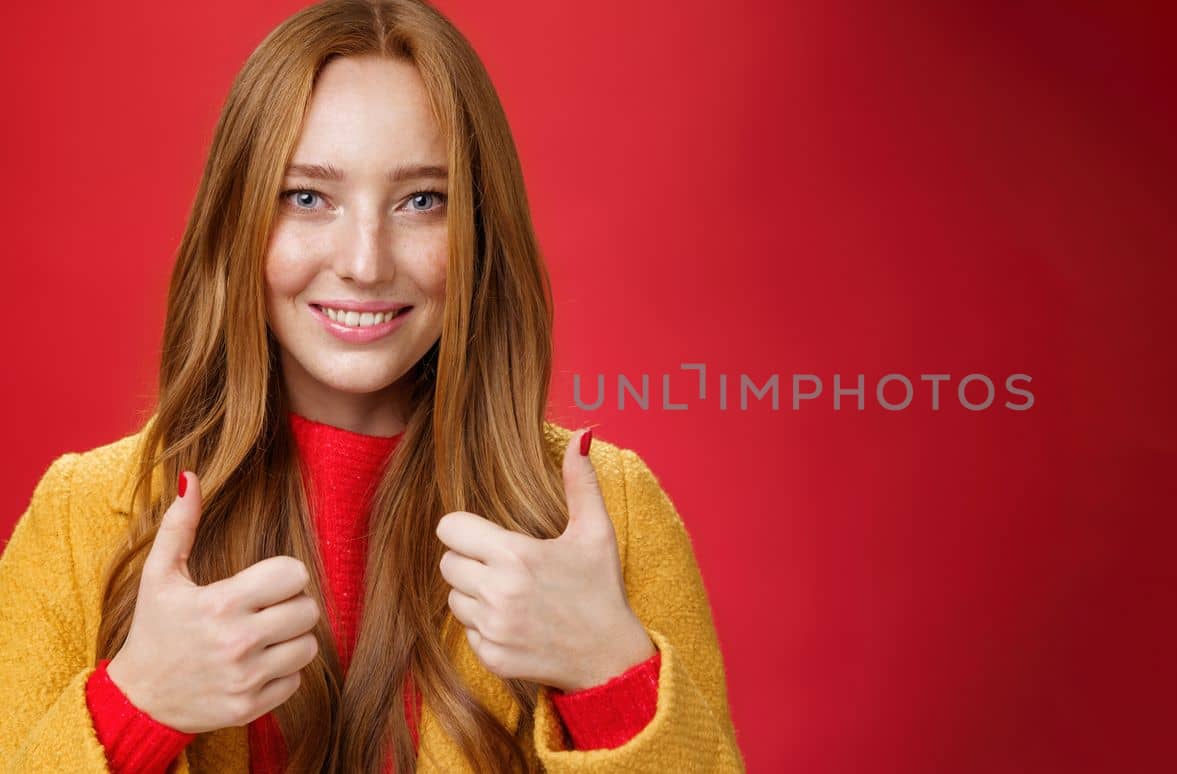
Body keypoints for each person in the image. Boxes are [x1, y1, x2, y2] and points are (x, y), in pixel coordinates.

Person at [0, 0, 744, 771]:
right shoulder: (81, 520)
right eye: (307, 197)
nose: (365, 261)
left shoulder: (603, 519)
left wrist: (606, 679)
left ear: (481, 232)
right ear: (238, 220)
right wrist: (134, 711)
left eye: (423, 200)